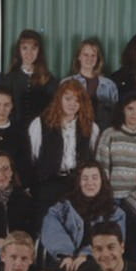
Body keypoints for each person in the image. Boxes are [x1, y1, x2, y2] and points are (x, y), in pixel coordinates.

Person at [41, 161, 125, 271]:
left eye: (94, 178)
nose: (90, 183)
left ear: (102, 181)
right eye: (85, 178)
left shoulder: (115, 212)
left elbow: (113, 241)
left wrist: (86, 255)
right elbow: (51, 230)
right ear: (78, 182)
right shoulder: (62, 207)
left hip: (98, 263)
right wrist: (66, 255)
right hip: (65, 262)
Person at [28, 80, 100, 214]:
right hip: (48, 184)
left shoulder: (91, 127)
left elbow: (92, 157)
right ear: (59, 99)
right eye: (68, 99)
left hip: (77, 185)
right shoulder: (40, 124)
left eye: (77, 100)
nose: (72, 104)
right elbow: (34, 157)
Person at [95, 92, 136, 200]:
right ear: (123, 110)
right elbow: (102, 168)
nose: (134, 113)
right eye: (130, 108)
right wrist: (105, 195)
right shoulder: (109, 134)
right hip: (115, 197)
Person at [0, 29, 58, 128]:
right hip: (15, 130)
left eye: (33, 48)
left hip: (41, 130)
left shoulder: (49, 80)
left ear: (39, 51)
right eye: (24, 48)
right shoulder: (8, 79)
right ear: (19, 51)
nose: (29, 53)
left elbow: (53, 110)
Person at [62, 38, 118, 130]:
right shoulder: (66, 83)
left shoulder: (109, 85)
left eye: (93, 55)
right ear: (79, 57)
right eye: (86, 55)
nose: (89, 59)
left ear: (97, 58)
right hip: (74, 131)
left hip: (102, 131)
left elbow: (115, 114)